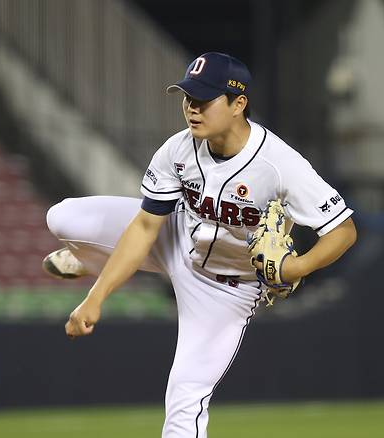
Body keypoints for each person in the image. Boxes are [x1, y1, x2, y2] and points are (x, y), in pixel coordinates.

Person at [43, 52, 357, 438]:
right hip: (175, 240)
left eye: (204, 100)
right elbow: (144, 228)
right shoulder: (178, 149)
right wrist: (96, 297)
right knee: (61, 217)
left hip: (227, 290)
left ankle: (94, 260)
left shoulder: (280, 164)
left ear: (238, 103)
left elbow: (343, 231)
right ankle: (91, 261)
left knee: (185, 398)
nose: (192, 108)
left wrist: (296, 267)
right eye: (187, 97)